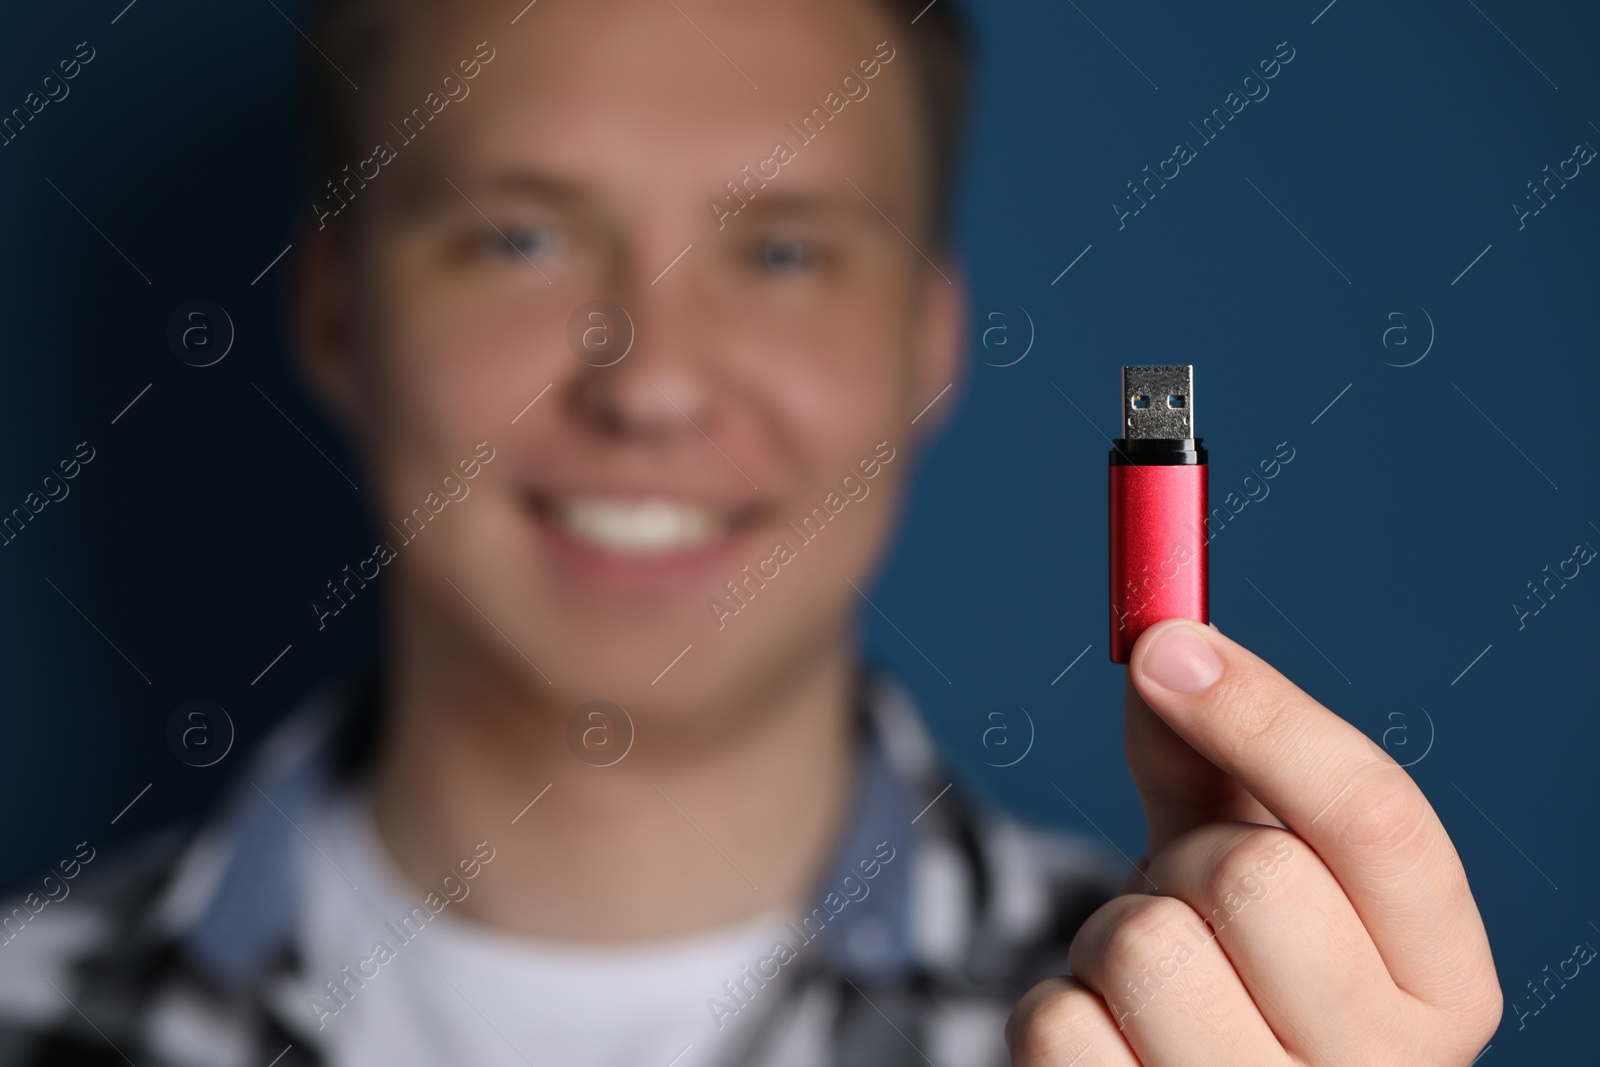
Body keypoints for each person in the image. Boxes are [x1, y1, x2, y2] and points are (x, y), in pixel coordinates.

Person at [0, 0, 1502, 1063]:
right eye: (517, 237)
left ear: (928, 340)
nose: (649, 382)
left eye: (784, 249)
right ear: (338, 315)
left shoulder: (1212, 1026)